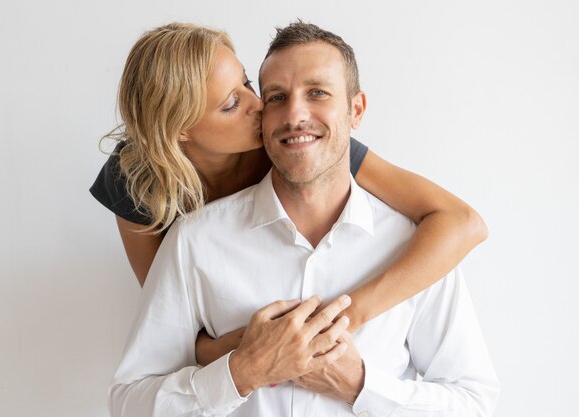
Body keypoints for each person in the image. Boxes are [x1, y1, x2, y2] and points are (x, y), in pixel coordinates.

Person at [108, 21, 499, 417]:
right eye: (273, 96)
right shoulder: (167, 216)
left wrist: (349, 353)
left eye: (249, 85)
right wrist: (246, 367)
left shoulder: (406, 242)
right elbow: (157, 365)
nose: (271, 110)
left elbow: (473, 401)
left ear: (355, 110)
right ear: (181, 131)